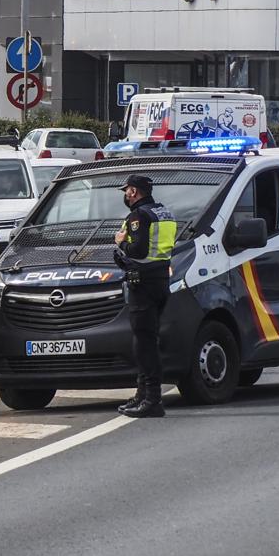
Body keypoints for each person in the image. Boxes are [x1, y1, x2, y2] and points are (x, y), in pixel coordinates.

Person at [113, 174, 175, 418]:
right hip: (160, 279)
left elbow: (137, 250)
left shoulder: (139, 216)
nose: (125, 195)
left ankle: (152, 399)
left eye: (126, 190)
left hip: (143, 283)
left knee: (144, 344)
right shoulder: (164, 212)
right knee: (148, 339)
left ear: (134, 192)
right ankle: (142, 395)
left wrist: (120, 243)